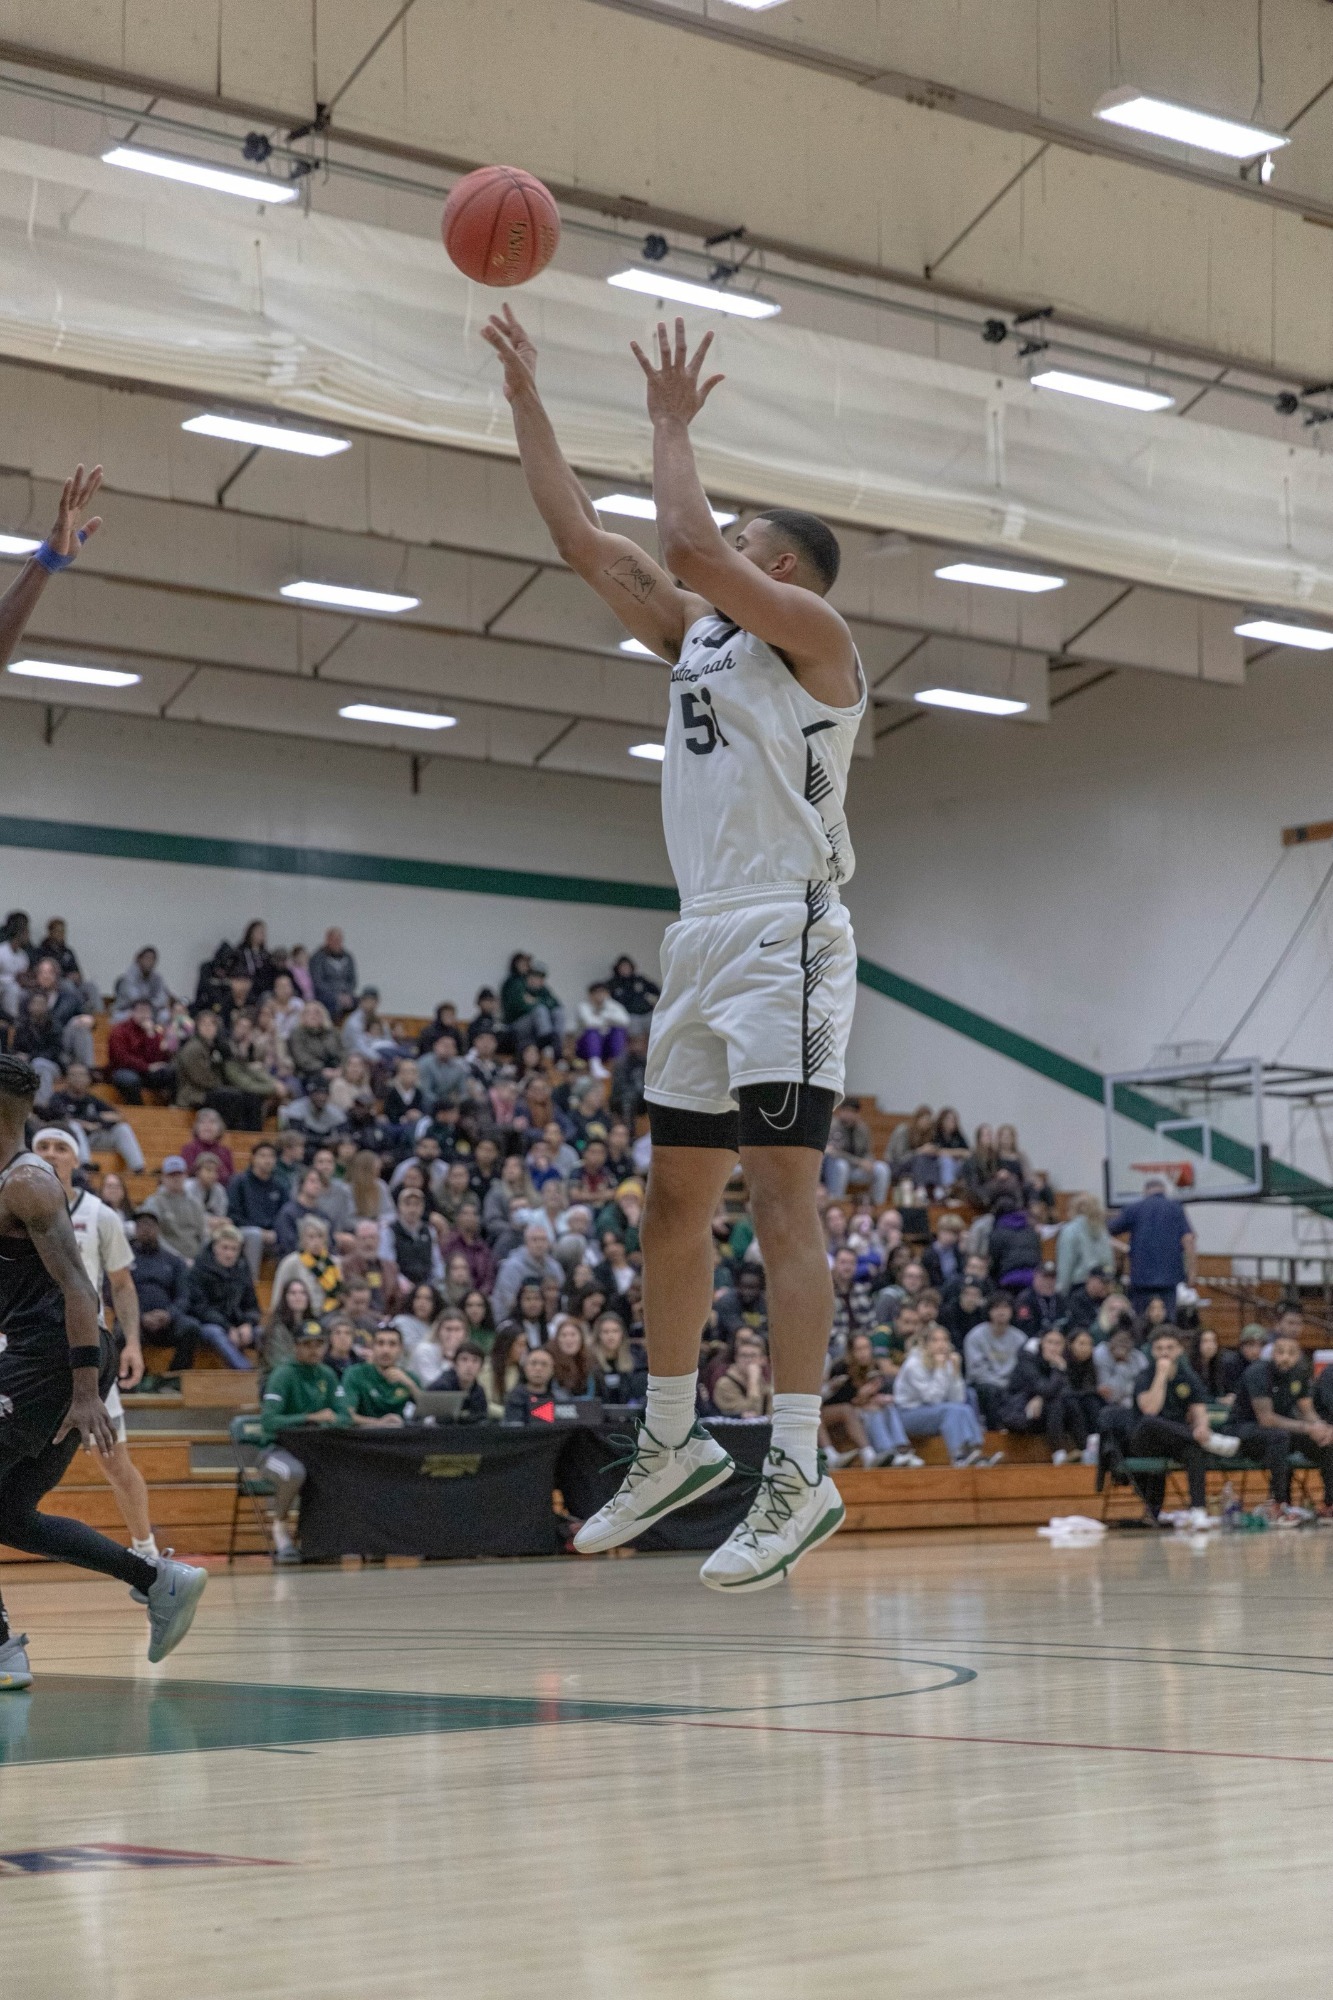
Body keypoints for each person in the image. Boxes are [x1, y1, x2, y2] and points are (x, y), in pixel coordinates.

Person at [487, 304, 864, 1588]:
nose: (720, 549)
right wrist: (528, 396)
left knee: (778, 1200)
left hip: (789, 931)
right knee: (670, 1203)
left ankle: (799, 1465)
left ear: (787, 574)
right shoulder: (700, 640)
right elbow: (581, 537)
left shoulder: (819, 648)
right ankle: (670, 1438)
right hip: (701, 935)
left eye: (750, 544)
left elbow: (688, 541)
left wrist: (666, 423)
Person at [0, 1053, 204, 1683]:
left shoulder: (27, 1183)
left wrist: (86, 1392)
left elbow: (81, 1292)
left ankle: (2, 1644)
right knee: (9, 1515)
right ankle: (155, 1580)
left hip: (54, 1359)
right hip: (41, 1357)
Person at [31, 1123, 162, 1561]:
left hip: (90, 1357)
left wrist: (133, 1344)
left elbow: (122, 1286)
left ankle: (147, 1554)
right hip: (26, 1353)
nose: (51, 1154)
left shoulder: (101, 1214)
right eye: (42, 1146)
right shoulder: (12, 1210)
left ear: (75, 1159)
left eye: (60, 1147)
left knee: (114, 1462)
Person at [1222, 1309, 1333, 1513]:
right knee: (1280, 1437)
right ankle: (1279, 1503)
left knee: (1326, 1440)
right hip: (1242, 1430)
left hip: (1278, 1432)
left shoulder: (1299, 1373)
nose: (1285, 1358)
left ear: (1298, 1356)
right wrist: (1307, 1427)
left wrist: (1321, 1427)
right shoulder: (1258, 1372)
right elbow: (1266, 1419)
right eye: (1280, 1352)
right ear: (1273, 1354)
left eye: (1291, 1354)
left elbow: (1307, 1410)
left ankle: (1329, 1502)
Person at [1128, 1325, 1239, 1526]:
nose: (1164, 1352)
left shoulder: (1188, 1376)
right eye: (1159, 1348)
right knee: (1150, 1422)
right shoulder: (1145, 1376)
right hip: (1145, 1442)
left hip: (1177, 1438)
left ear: (1179, 1350)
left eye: (1170, 1347)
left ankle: (1198, 1511)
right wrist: (1161, 1376)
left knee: (1194, 1450)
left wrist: (1203, 1428)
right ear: (1152, 1351)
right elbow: (1150, 1409)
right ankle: (1211, 1442)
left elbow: (1200, 1412)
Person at [259, 1321, 348, 1560]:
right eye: (307, 1344)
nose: (314, 1350)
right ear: (296, 1347)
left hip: (315, 1451)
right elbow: (268, 1421)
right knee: (294, 1473)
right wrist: (309, 1417)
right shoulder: (283, 1374)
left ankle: (324, 1537)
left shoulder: (328, 1375)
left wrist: (330, 1420)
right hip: (275, 1451)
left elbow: (344, 1416)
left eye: (319, 1344)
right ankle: (279, 1526)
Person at [892, 1324, 989, 1466]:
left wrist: (955, 1373)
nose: (941, 1345)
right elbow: (933, 1399)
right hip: (907, 1414)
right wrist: (940, 1369)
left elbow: (958, 1399)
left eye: (944, 1340)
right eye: (935, 1340)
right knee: (950, 1412)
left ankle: (973, 1451)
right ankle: (958, 1456)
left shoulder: (945, 1362)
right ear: (925, 1344)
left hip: (932, 1411)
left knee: (965, 1409)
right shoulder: (913, 1365)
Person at [821, 1330, 917, 1468]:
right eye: (859, 1349)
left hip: (865, 1407)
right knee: (873, 1412)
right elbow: (838, 1401)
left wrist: (879, 1398)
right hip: (845, 1411)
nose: (864, 1353)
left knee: (887, 1406)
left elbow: (880, 1392)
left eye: (866, 1348)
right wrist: (862, 1398)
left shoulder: (875, 1366)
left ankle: (902, 1449)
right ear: (851, 1351)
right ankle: (886, 1451)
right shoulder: (841, 1368)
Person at [128, 1212, 202, 1374]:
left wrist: (169, 1314)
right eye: (141, 1225)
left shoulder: (174, 1261)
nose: (146, 1229)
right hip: (135, 1321)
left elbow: (184, 1296)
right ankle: (132, 1380)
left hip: (168, 1321)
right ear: (135, 1229)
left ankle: (175, 1376)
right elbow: (113, 1293)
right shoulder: (125, 1260)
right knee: (121, 1333)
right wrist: (140, 1316)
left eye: (150, 1225)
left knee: (191, 1327)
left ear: (158, 1229)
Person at [999, 1327, 1087, 1462]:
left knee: (1069, 1402)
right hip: (1020, 1413)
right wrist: (1059, 1370)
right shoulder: (1028, 1360)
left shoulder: (1063, 1362)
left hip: (1047, 1413)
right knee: (1055, 1402)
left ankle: (1084, 1450)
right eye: (1049, 1342)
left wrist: (1041, 1397)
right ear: (1041, 1344)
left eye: (1058, 1343)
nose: (1053, 1347)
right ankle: (1058, 1453)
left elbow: (1066, 1391)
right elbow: (1044, 1388)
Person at [1109, 1178, 1196, 1315]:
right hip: (1170, 1277)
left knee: (1141, 1319)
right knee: (1167, 1318)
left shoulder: (1134, 1208)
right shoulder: (1176, 1208)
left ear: (1145, 1191)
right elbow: (1188, 1239)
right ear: (1164, 1190)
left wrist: (1123, 1248)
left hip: (1141, 1278)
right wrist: (1192, 1272)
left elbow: (1108, 1230)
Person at [43, 1061, 146, 1172]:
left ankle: (138, 1168)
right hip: (67, 1141)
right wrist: (92, 1121)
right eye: (74, 1075)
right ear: (67, 1078)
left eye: (82, 1075)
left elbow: (118, 1116)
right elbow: (64, 1118)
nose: (78, 1078)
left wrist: (95, 1120)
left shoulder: (92, 1099)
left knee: (122, 1128)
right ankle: (85, 1166)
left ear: (88, 1079)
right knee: (74, 1126)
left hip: (93, 1137)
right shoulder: (58, 1098)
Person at [183, 1224, 261, 1369]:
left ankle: (272, 1373)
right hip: (208, 1324)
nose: (229, 1253)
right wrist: (227, 1327)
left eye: (234, 1249)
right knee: (216, 1333)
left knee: (263, 1334)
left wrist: (248, 1324)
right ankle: (246, 1371)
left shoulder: (243, 1270)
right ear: (214, 1247)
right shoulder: (198, 1270)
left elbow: (252, 1305)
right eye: (225, 1248)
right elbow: (200, 1308)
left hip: (237, 1324)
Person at [963, 1294, 1025, 1428]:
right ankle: (994, 1432)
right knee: (992, 1392)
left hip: (1010, 1384)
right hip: (983, 1384)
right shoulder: (975, 1335)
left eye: (1005, 1307)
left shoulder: (1020, 1338)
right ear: (989, 1311)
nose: (1001, 1312)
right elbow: (976, 1371)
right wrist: (1000, 1384)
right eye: (996, 1308)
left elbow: (1023, 1369)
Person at [228, 1138, 285, 1280]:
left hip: (272, 1234)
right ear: (253, 1158)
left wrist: (275, 1231)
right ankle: (251, 1282)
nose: (267, 1160)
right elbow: (233, 1214)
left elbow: (285, 1214)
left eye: (271, 1156)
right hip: (244, 1231)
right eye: (263, 1156)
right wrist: (261, 1231)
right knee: (255, 1235)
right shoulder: (239, 1182)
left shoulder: (279, 1186)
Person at [342, 1325, 418, 1426]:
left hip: (399, 1438)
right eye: (380, 1343)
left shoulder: (410, 1378)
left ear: (401, 1349)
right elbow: (345, 1415)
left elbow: (429, 1413)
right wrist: (379, 1423)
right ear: (372, 1347)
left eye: (392, 1344)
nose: (386, 1350)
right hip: (363, 1437)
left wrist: (410, 1385)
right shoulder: (355, 1374)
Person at [140, 1156, 209, 1263]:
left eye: (179, 1174)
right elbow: (156, 1238)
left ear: (185, 1175)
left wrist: (201, 1259)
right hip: (166, 1260)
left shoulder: (195, 1203)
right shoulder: (154, 1202)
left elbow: (203, 1235)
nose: (176, 1178)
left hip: (195, 1258)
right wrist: (177, 1259)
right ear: (163, 1177)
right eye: (171, 1175)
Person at [108, 997, 176, 1105]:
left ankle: (169, 1107)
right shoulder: (119, 1030)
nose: (144, 1015)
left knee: (170, 1073)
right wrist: (147, 1067)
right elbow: (121, 1058)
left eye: (147, 1011)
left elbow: (156, 1058)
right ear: (132, 1012)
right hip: (124, 1069)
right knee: (129, 1080)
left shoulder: (154, 1032)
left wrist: (150, 1035)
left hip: (146, 1071)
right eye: (140, 1011)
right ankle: (138, 1109)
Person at [822, 1099, 890, 1208]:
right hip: (835, 1168)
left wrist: (869, 1162)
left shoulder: (862, 1129)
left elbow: (867, 1151)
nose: (849, 1114)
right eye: (846, 1111)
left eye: (852, 1112)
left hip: (857, 1170)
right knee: (841, 1165)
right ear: (840, 1111)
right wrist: (859, 1162)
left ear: (857, 1114)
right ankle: (836, 1203)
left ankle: (878, 1205)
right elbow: (834, 1152)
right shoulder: (833, 1126)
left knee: (882, 1169)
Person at [1056, 1193, 1116, 1295]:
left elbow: (1066, 1264)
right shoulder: (1102, 1230)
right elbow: (1109, 1260)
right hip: (1101, 1285)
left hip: (1078, 1285)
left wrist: (1061, 1292)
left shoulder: (1069, 1230)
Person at [576, 980, 631, 1076]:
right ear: (590, 995)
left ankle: (617, 1064)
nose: (600, 996)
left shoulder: (613, 1005)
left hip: (607, 1044)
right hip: (585, 1046)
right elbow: (589, 1023)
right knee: (592, 1032)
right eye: (596, 993)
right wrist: (608, 1020)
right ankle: (595, 1066)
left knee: (618, 1031)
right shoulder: (583, 1006)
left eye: (602, 992)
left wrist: (604, 1016)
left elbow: (625, 1021)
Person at [111, 945, 172, 1023]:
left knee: (165, 1015)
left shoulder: (157, 978)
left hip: (151, 1011)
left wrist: (150, 1006)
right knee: (120, 1017)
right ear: (139, 959)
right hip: (128, 1009)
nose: (150, 962)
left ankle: (155, 1034)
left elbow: (162, 997)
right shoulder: (128, 976)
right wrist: (145, 1006)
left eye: (153, 959)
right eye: (147, 958)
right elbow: (134, 998)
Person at [503, 1343, 561, 1425]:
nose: (538, 1368)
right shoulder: (515, 1396)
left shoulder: (560, 1398)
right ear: (524, 1368)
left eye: (544, 1364)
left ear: (553, 1370)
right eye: (533, 1363)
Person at [309, 928, 358, 1019]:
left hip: (346, 994)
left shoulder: (348, 957)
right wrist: (336, 996)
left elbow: (353, 980)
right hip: (325, 995)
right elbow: (318, 981)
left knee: (362, 1002)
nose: (337, 943)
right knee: (331, 1003)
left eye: (339, 940)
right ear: (327, 940)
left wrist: (347, 994)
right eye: (334, 940)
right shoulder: (318, 958)